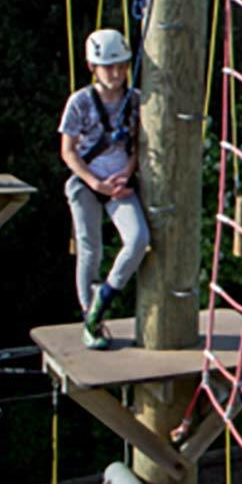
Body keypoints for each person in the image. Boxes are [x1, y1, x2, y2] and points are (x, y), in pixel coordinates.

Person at [60, 28, 150, 349]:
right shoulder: (80, 102)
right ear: (92, 68)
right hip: (88, 180)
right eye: (108, 66)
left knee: (139, 239)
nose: (116, 73)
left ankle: (104, 296)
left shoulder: (135, 101)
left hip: (120, 182)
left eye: (121, 66)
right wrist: (95, 182)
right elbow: (68, 150)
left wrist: (126, 174)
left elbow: (140, 145)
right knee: (89, 247)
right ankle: (90, 318)